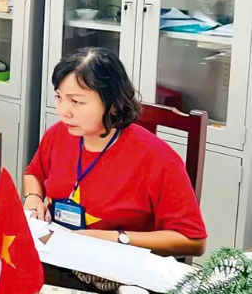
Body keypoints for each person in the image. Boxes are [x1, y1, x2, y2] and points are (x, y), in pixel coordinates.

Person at [24, 47, 206, 258]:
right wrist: (33, 197)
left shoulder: (157, 159)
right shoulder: (59, 134)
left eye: (76, 101)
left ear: (113, 104)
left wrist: (116, 239)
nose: (63, 111)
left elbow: (193, 241)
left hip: (118, 265)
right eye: (59, 97)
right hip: (58, 253)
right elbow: (34, 173)